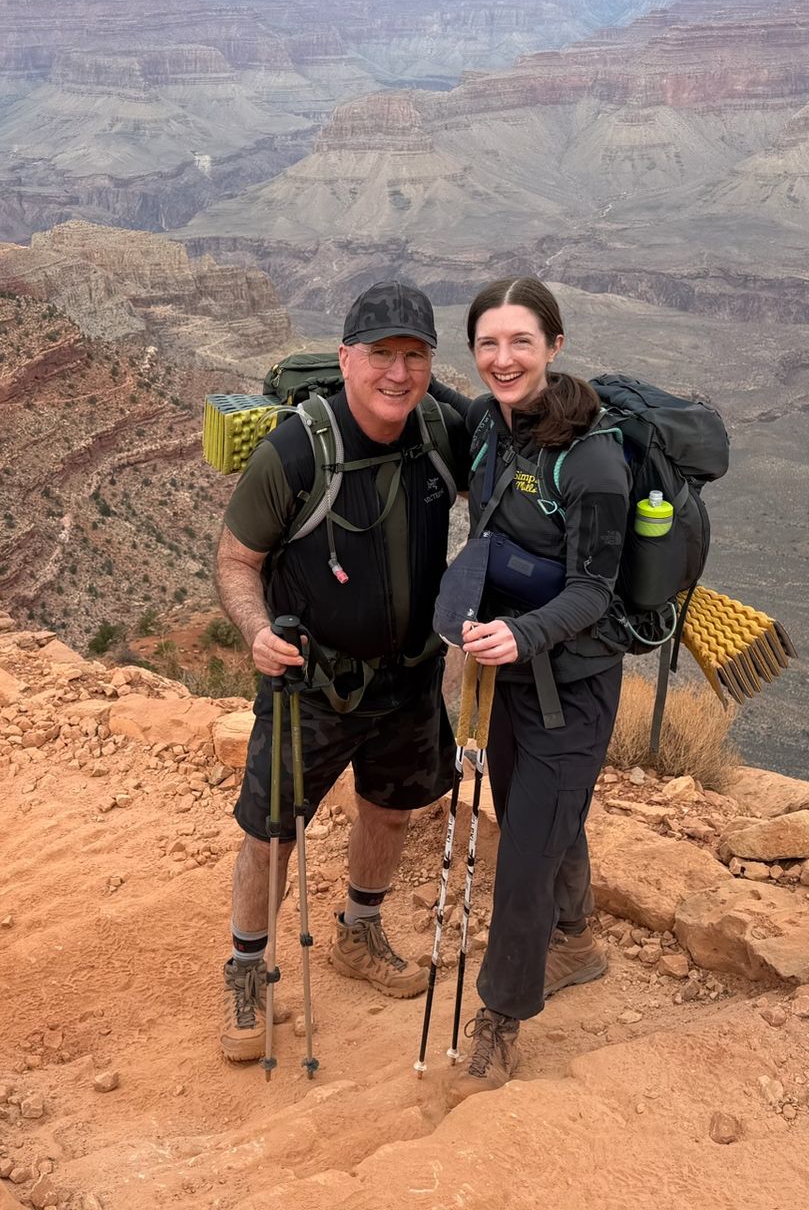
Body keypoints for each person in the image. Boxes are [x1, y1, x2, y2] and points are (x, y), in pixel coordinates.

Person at [212, 281, 472, 1064]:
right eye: (382, 356)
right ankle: (249, 969)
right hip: (311, 685)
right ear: (346, 359)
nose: (398, 373)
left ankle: (360, 932)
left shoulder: (441, 429)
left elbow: (512, 480)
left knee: (389, 811)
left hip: (411, 678)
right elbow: (236, 558)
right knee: (272, 831)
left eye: (415, 356)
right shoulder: (296, 449)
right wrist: (258, 633)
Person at [446, 276, 630, 1103]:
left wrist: (521, 633)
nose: (503, 357)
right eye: (489, 342)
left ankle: (501, 1014)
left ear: (554, 346)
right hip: (507, 672)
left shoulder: (589, 460)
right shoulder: (491, 425)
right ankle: (578, 940)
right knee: (544, 819)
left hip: (571, 684)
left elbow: (596, 591)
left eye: (521, 341)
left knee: (522, 855)